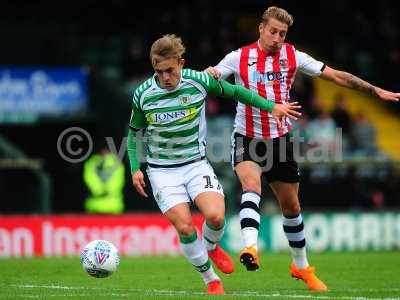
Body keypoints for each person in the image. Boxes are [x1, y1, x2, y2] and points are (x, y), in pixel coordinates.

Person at [205, 6, 400, 292]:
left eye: (282, 33)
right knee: (251, 186)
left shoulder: (293, 56)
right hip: (246, 138)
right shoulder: (239, 57)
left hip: (281, 141)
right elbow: (214, 74)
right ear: (261, 29)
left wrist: (375, 91)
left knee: (292, 206)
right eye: (272, 31)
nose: (277, 38)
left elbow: (335, 76)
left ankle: (301, 266)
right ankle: (250, 247)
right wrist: (212, 72)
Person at [127, 34, 301, 295]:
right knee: (185, 225)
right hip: (162, 171)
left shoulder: (198, 81)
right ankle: (211, 280)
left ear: (181, 63)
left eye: (170, 71)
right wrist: (134, 167)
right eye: (159, 71)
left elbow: (237, 92)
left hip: (196, 164)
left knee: (216, 216)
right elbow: (133, 133)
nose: (165, 77)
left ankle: (210, 246)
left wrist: (272, 106)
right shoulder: (143, 94)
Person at [83, 147, 125, 214]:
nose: (104, 151)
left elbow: (118, 180)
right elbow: (89, 178)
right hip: (94, 206)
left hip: (113, 206)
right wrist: (99, 190)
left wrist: (105, 189)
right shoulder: (92, 162)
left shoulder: (116, 162)